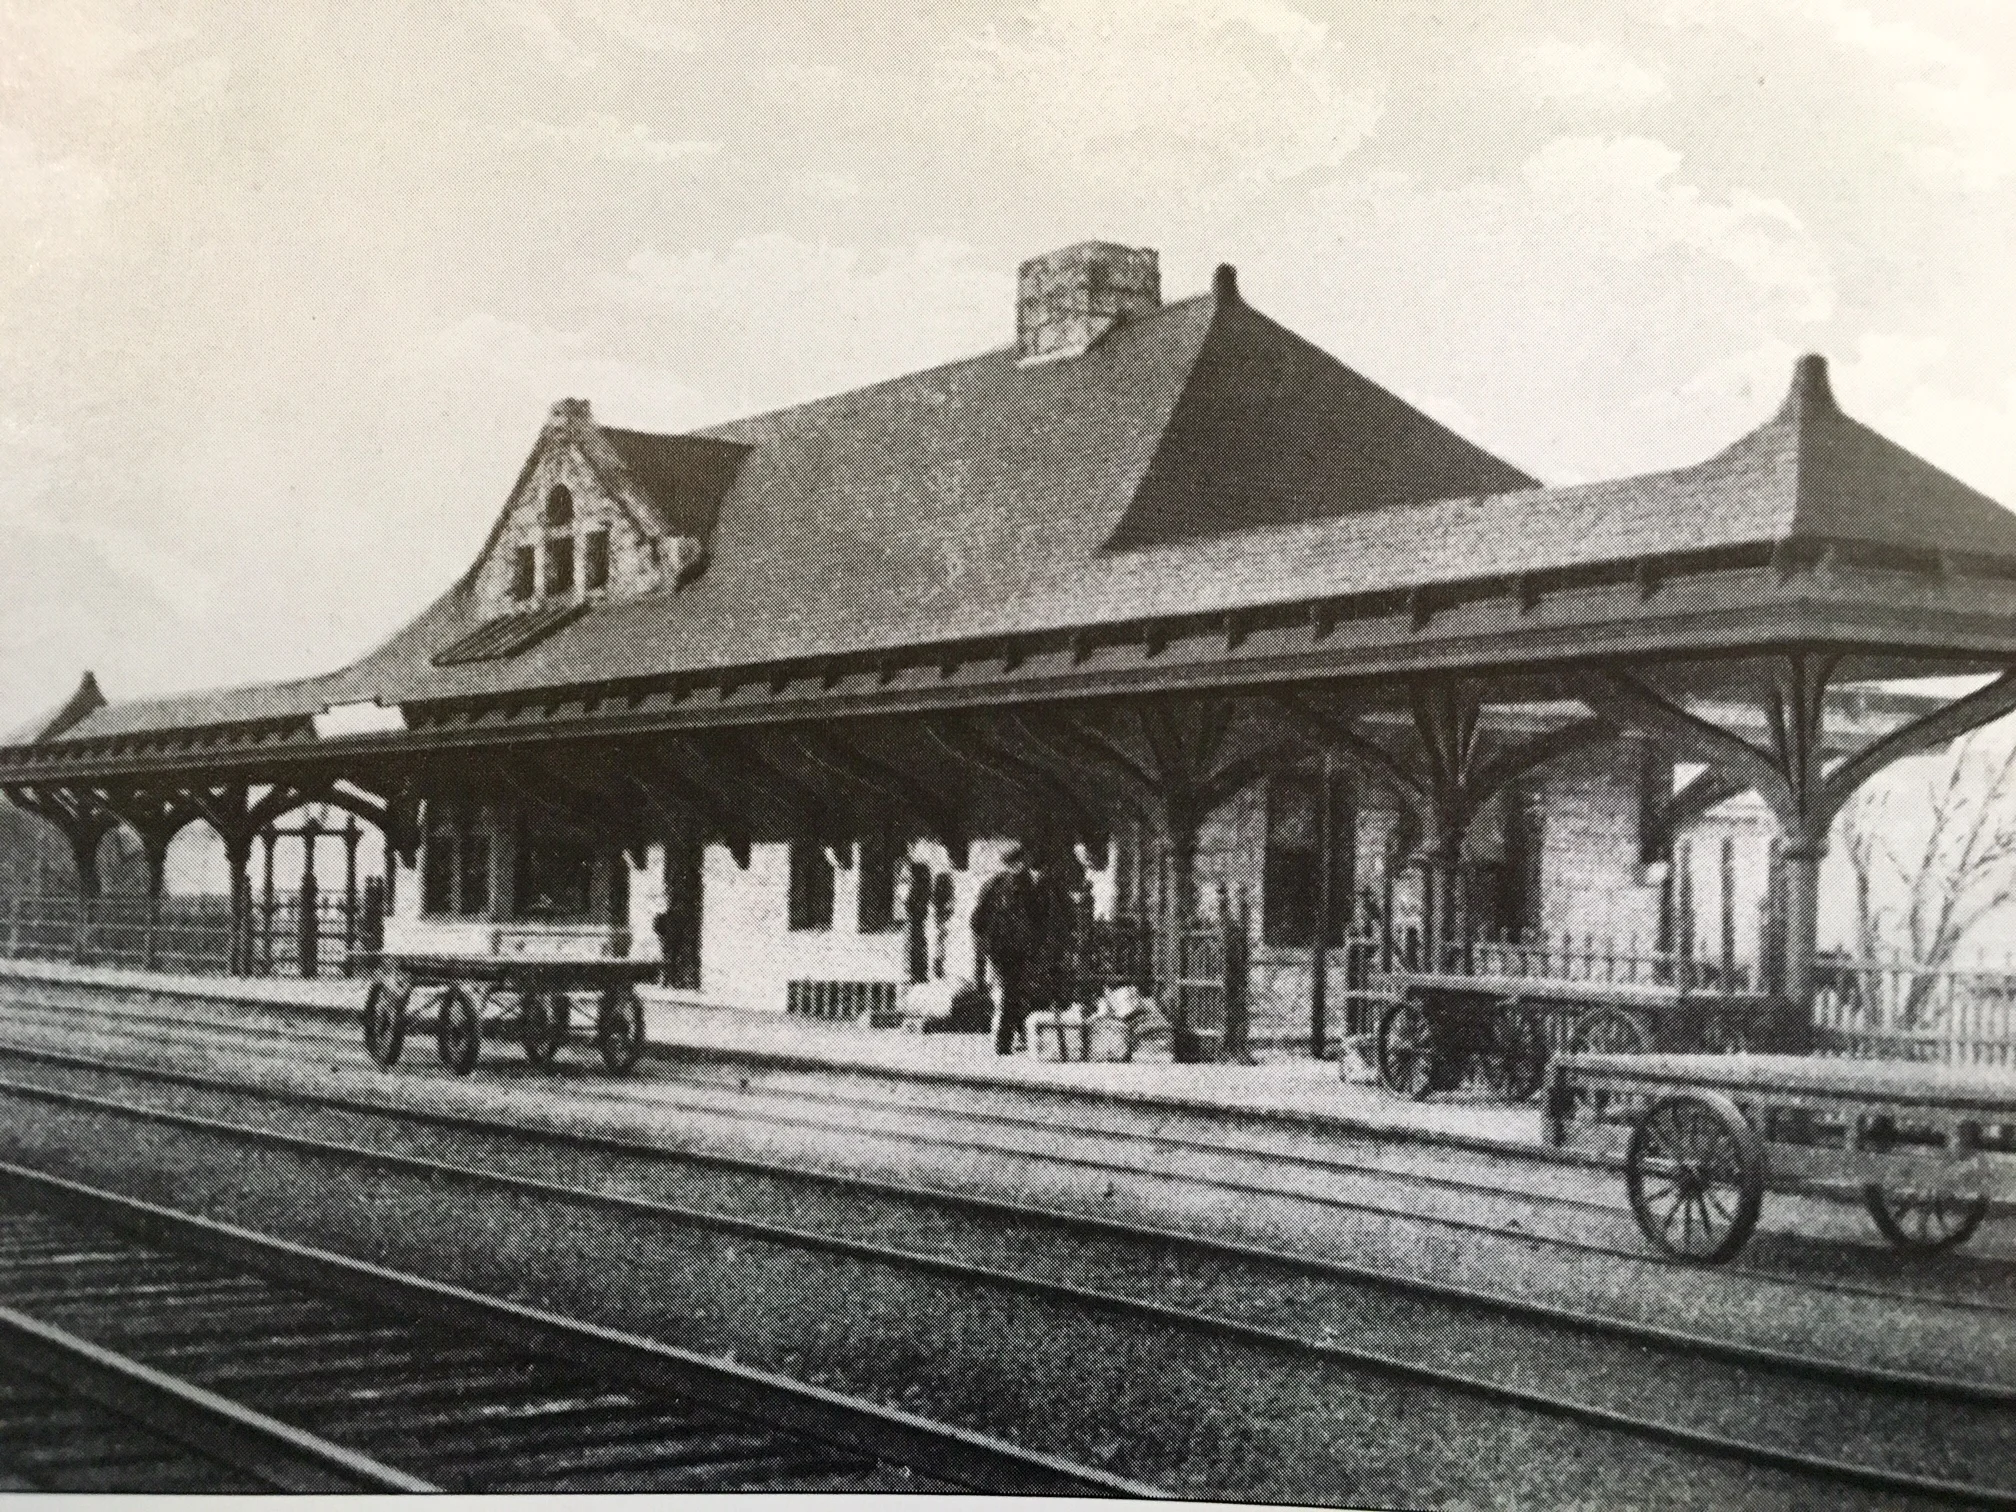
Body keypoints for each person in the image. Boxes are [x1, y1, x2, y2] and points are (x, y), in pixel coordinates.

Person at [972, 843, 1046, 1055]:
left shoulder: (991, 884)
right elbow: (1038, 917)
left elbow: (976, 920)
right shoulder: (1025, 884)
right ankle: (1006, 1042)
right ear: (1020, 862)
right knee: (1015, 992)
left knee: (1011, 991)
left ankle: (1019, 1037)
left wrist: (987, 943)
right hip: (1018, 949)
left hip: (997, 949)